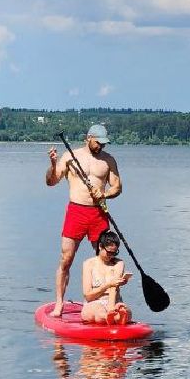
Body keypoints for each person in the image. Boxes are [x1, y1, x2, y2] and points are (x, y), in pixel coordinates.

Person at [47, 123, 121, 317]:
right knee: (66, 259)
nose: (102, 146)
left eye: (104, 143)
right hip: (76, 212)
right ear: (88, 138)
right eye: (99, 142)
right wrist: (54, 164)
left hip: (98, 213)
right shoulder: (71, 157)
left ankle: (110, 301)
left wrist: (104, 193)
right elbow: (51, 181)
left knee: (108, 258)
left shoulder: (108, 160)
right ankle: (59, 303)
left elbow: (117, 187)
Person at [78, 230, 132, 325]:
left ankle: (118, 316)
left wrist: (111, 307)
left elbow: (113, 288)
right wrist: (107, 285)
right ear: (100, 246)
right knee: (99, 311)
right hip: (95, 302)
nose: (111, 256)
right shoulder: (88, 264)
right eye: (109, 252)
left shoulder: (118, 263)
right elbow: (88, 296)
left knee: (124, 309)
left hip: (114, 301)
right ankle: (108, 317)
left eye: (114, 253)